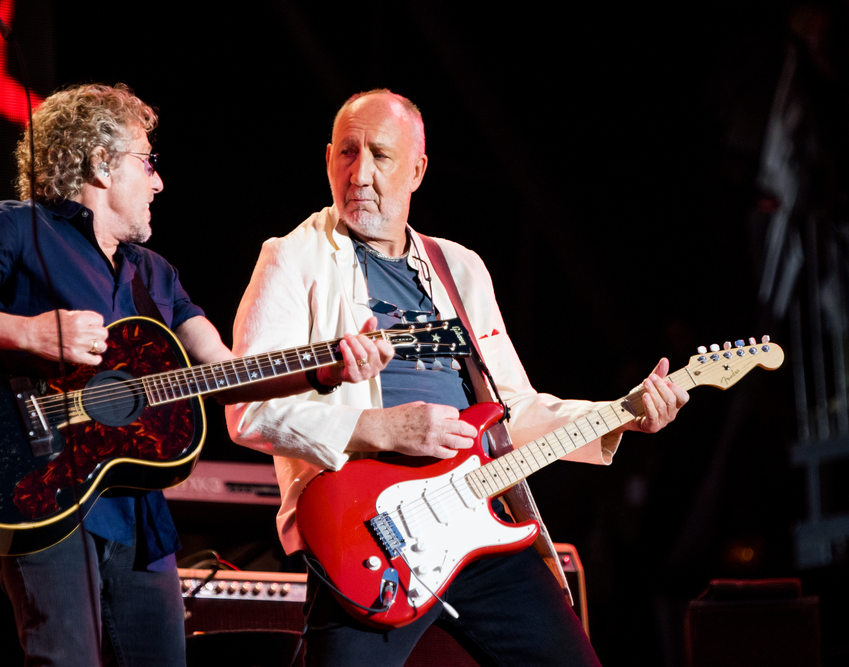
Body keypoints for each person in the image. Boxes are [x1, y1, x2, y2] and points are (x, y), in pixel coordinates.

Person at [0, 83, 391, 667]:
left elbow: (226, 372)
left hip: (140, 517)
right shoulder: (16, 230)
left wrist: (323, 369)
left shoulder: (156, 275)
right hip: (39, 495)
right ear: (101, 164)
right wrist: (30, 333)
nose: (158, 182)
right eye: (147, 162)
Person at [224, 89, 689, 666]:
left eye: (380, 155)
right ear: (326, 160)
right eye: (347, 152)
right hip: (371, 536)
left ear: (417, 169)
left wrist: (623, 412)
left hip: (478, 525)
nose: (360, 172)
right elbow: (250, 410)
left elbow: (515, 410)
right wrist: (383, 429)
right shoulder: (292, 259)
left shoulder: (461, 267)